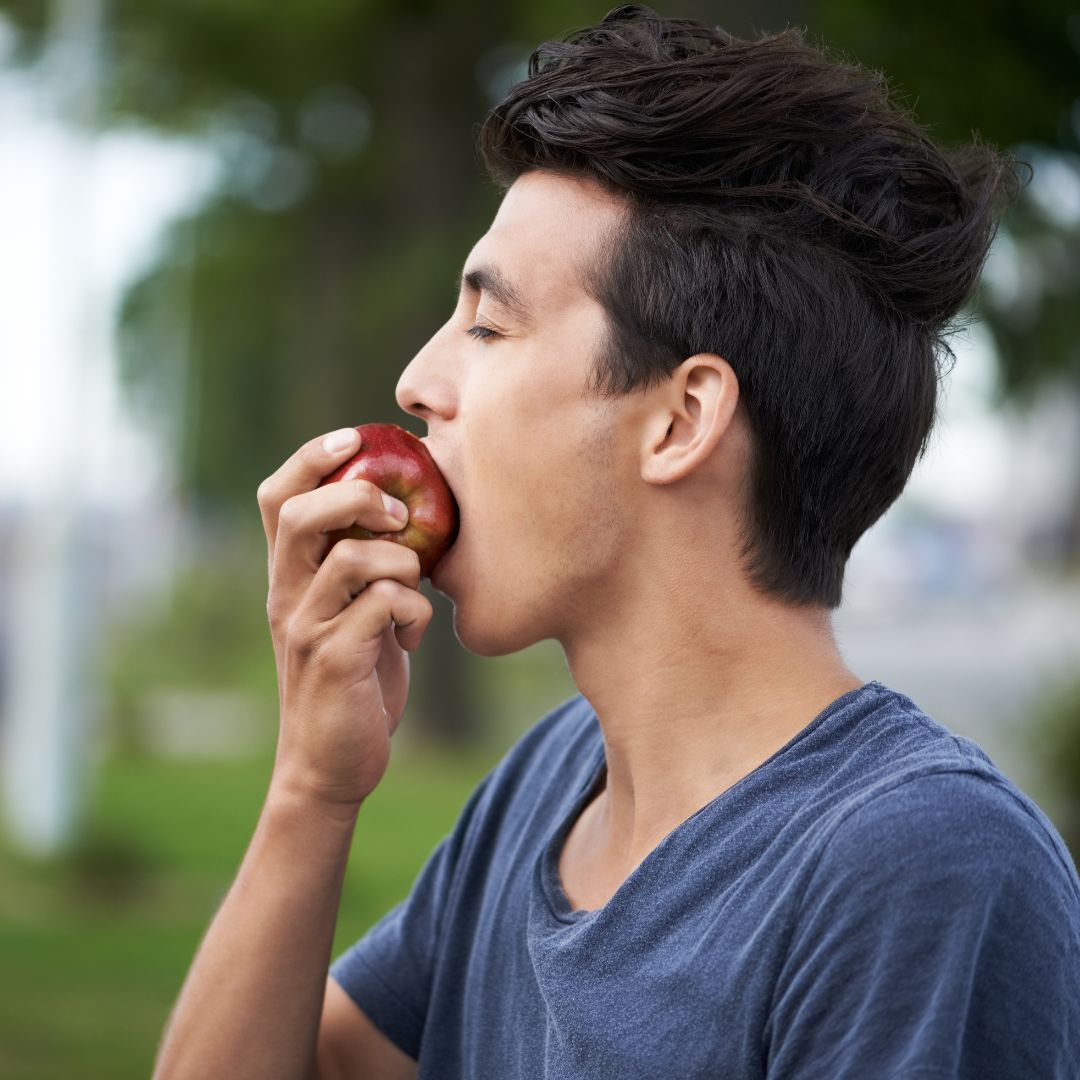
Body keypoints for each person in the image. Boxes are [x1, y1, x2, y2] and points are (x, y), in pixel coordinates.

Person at [152, 5, 1080, 1078]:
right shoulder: (547, 786)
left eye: (489, 326)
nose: (417, 382)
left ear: (681, 421)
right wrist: (313, 785)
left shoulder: (916, 868)